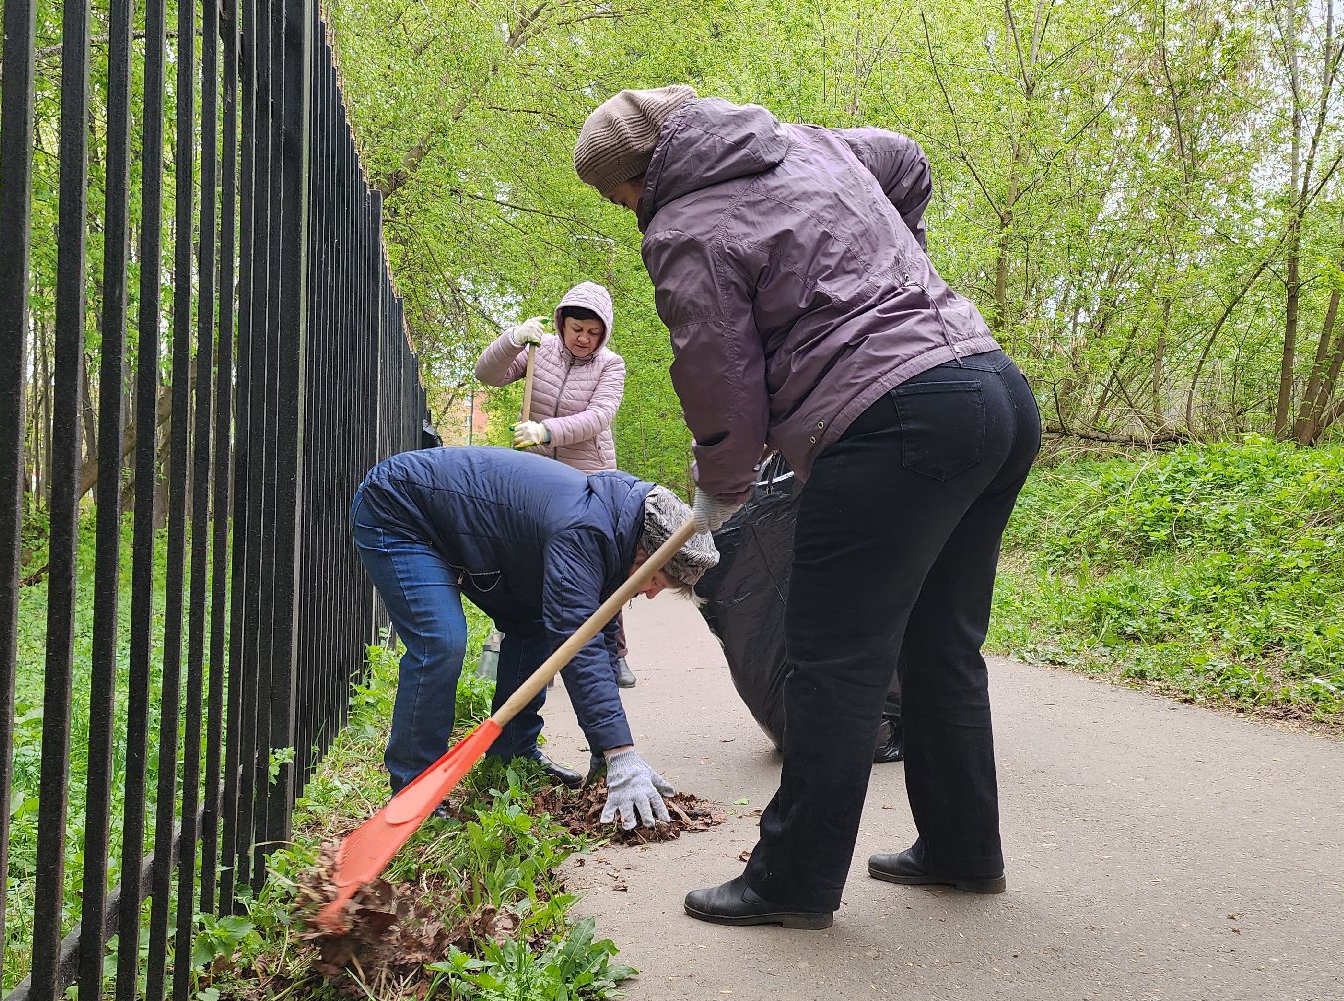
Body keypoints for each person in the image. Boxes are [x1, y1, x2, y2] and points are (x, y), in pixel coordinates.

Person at [574, 87, 1042, 924]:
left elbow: (717, 373)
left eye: (621, 197)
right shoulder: (806, 144)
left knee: (831, 658)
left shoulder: (687, 227)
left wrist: (721, 483)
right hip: (990, 390)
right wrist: (907, 274)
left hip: (888, 423)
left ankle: (790, 881)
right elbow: (908, 157)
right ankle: (964, 852)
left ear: (641, 175)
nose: (629, 213)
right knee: (943, 645)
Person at [351, 446, 718, 829]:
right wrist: (620, 753)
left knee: (535, 624)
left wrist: (604, 752)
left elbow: (599, 634)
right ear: (645, 556)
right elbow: (579, 644)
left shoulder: (617, 533)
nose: (651, 594)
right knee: (440, 641)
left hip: (464, 532)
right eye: (657, 581)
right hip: (400, 511)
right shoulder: (585, 528)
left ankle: (512, 752)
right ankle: (414, 793)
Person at [475, 282, 643, 689]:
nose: (583, 338)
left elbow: (599, 417)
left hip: (588, 476)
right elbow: (487, 375)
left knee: (601, 565)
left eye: (592, 332)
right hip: (536, 478)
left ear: (603, 333)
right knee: (533, 559)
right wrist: (512, 339)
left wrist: (545, 431)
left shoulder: (610, 365)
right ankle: (539, 651)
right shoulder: (540, 350)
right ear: (562, 323)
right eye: (576, 329)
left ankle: (612, 650)